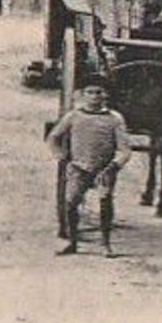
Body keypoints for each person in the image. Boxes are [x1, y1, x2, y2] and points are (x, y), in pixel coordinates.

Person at [46, 82, 134, 257]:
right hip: (78, 167)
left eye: (99, 92)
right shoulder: (73, 116)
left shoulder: (115, 119)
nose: (95, 96)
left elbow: (125, 149)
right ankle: (72, 242)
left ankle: (106, 244)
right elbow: (53, 137)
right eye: (90, 92)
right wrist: (61, 156)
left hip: (104, 169)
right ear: (82, 94)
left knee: (105, 202)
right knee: (70, 203)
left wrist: (114, 166)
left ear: (106, 95)